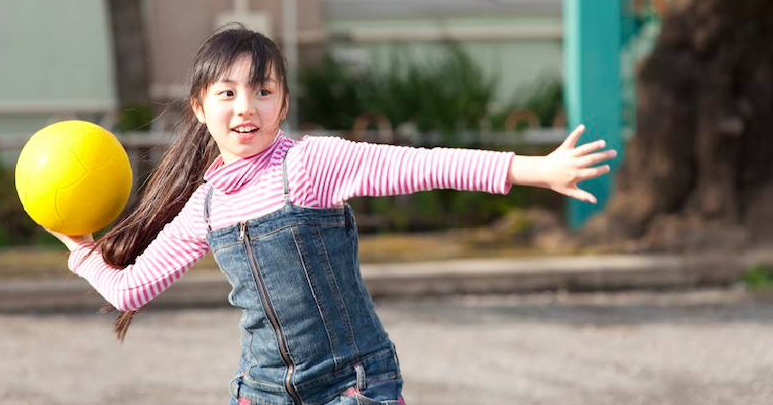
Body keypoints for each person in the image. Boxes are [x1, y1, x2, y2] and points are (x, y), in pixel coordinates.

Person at [45, 23, 617, 405]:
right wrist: (82, 250)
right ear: (199, 107)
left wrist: (535, 170)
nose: (246, 107)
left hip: (354, 385)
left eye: (263, 91)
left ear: (284, 103)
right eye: (227, 94)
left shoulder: (311, 164)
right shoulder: (207, 205)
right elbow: (130, 290)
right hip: (263, 390)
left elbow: (427, 165)